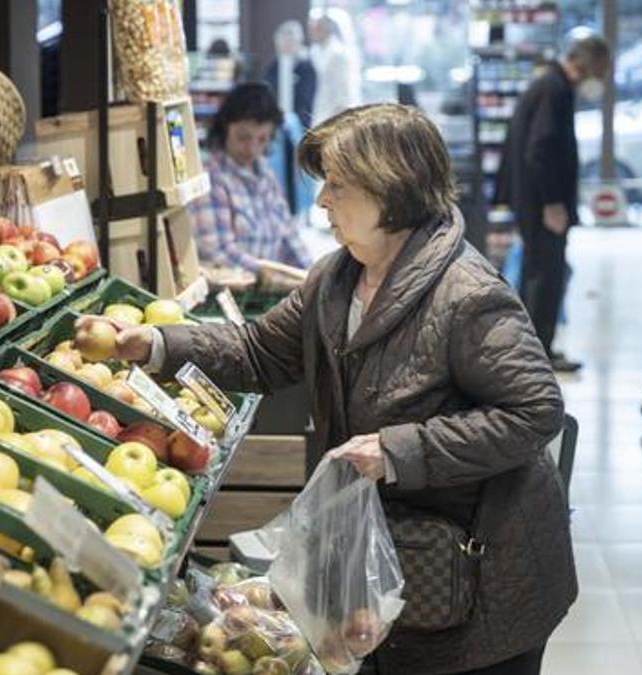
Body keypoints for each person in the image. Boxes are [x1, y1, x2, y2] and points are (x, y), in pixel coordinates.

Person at [98, 104, 576, 675]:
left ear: (391, 190)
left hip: (488, 579)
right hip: (397, 567)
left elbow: (535, 411)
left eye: (338, 185)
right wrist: (156, 344)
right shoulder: (335, 279)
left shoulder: (467, 295)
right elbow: (257, 351)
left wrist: (398, 451)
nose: (323, 200)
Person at [497, 35, 610, 373]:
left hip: (533, 200)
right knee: (545, 278)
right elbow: (541, 149)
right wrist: (552, 203)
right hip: (542, 203)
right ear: (586, 64)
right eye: (600, 71)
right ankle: (537, 355)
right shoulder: (554, 89)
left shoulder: (549, 84)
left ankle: (536, 352)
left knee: (540, 274)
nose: (600, 80)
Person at [190, 81, 312, 273]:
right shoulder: (211, 178)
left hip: (271, 289)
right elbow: (217, 251)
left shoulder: (265, 173)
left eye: (262, 139)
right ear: (225, 128)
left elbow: (288, 236)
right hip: (232, 292)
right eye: (243, 137)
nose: (252, 148)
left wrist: (313, 278)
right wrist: (273, 275)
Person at [308, 8, 363, 124]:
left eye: (318, 28)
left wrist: (340, 112)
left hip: (334, 113)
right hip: (316, 112)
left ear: (327, 29)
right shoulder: (312, 53)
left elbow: (344, 88)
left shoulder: (339, 55)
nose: (313, 32)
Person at [265, 20, 317, 131]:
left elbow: (307, 99)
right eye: (283, 40)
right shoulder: (273, 67)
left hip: (300, 122)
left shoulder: (306, 67)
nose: (286, 44)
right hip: (275, 121)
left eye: (290, 40)